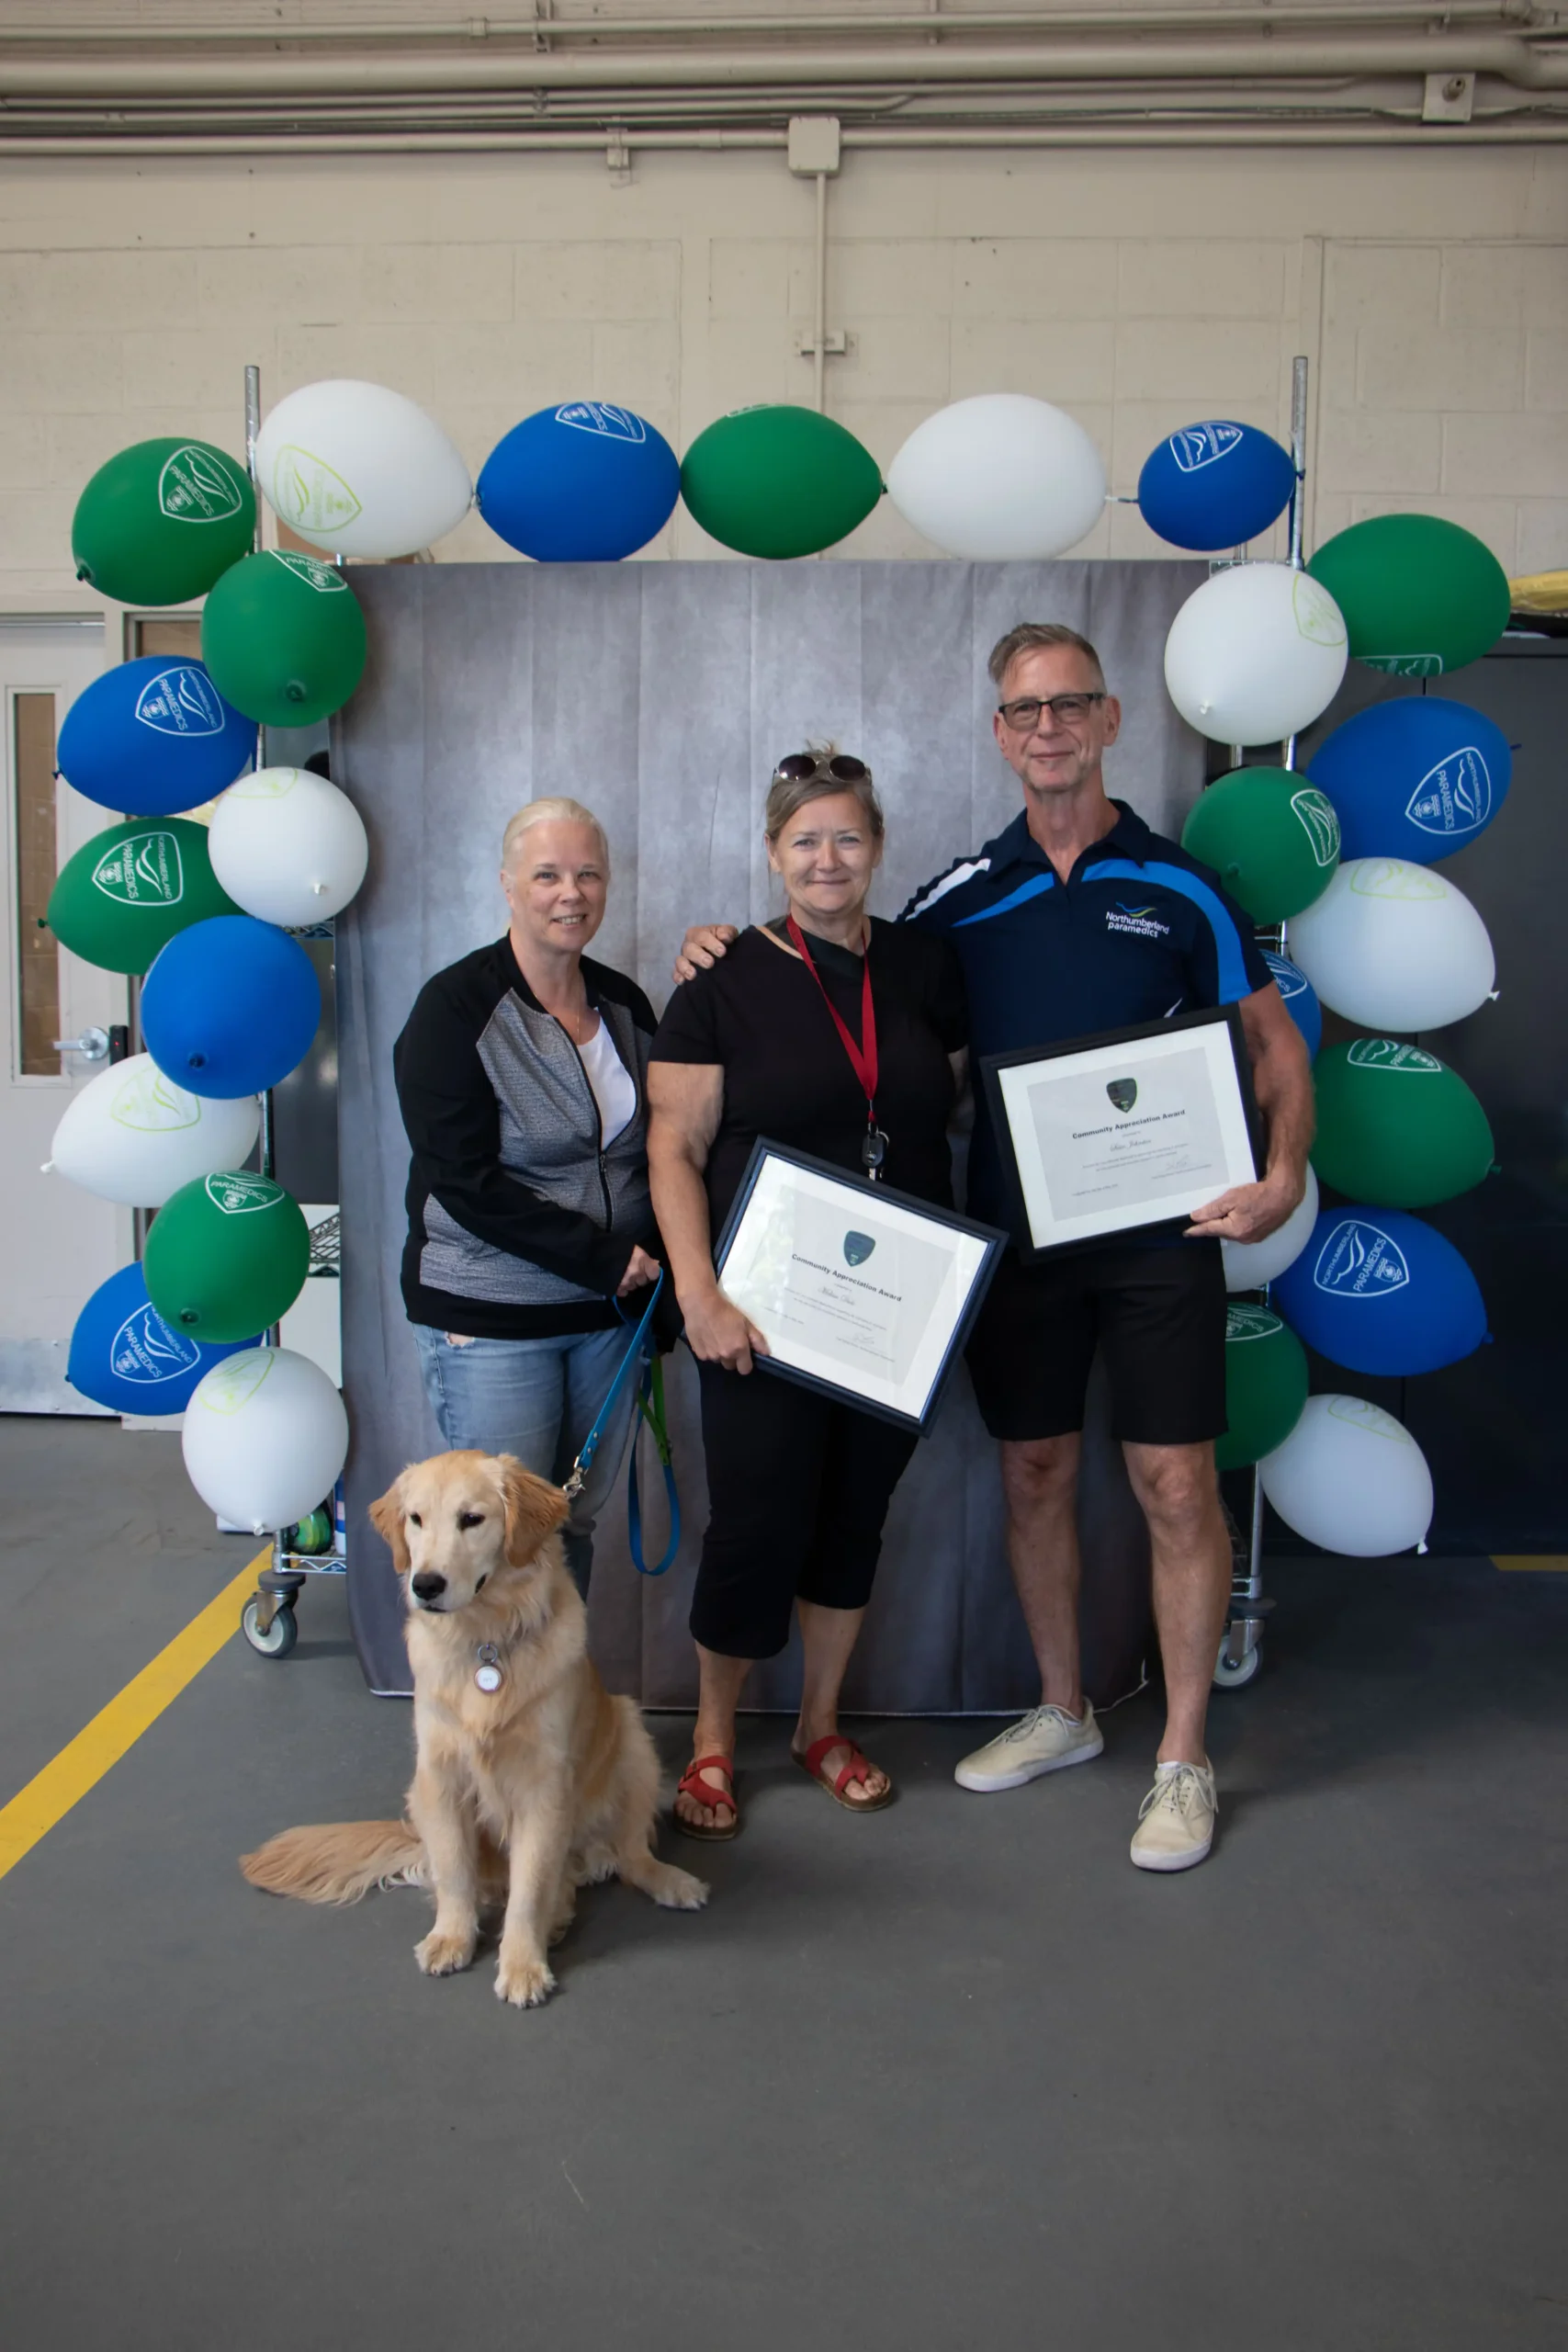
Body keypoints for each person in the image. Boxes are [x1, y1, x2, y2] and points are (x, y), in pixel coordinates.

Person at [674, 627, 1314, 1871]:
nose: (1048, 728)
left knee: (1175, 1486)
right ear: (998, 733)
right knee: (1032, 1473)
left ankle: (1182, 1758)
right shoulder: (958, 901)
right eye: (1025, 710)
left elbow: (1270, 1042)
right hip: (1016, 1242)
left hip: (1163, 1239)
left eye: (1070, 704)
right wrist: (723, 948)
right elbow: (840, 958)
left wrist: (1282, 1173)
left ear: (1110, 719)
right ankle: (1064, 1710)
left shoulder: (1181, 886)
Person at [648, 752, 968, 1840]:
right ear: (772, 852)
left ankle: (819, 1726)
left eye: (847, 838)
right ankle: (711, 1739)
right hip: (759, 1312)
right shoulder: (719, 980)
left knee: (854, 1516)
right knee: (755, 1521)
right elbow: (673, 1147)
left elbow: (941, 1101)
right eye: (805, 840)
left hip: (893, 1313)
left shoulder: (926, 966)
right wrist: (699, 1293)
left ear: (877, 846)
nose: (827, 859)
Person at [393, 797, 661, 1597]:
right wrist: (603, 1257)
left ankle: (553, 1682)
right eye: (546, 875)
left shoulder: (624, 1004)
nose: (570, 893)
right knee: (491, 1547)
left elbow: (657, 1152)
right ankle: (481, 1685)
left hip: (604, 1320)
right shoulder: (453, 1009)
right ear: (508, 886)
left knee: (568, 1527)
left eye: (588, 875)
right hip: (493, 1321)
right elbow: (463, 1182)